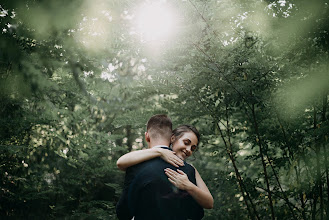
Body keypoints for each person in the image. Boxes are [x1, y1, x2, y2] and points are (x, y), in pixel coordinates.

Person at [116, 115, 208, 220]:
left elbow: (123, 211)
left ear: (147, 136)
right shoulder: (188, 170)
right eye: (186, 143)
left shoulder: (135, 166)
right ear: (171, 138)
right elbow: (196, 213)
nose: (188, 150)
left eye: (192, 148)